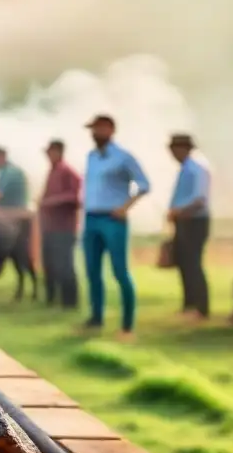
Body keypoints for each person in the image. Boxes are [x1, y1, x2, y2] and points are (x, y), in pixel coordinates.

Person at [81, 114, 150, 337]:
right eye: (92, 129)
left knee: (120, 271)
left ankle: (127, 326)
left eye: (97, 129)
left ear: (109, 129)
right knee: (92, 271)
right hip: (91, 218)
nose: (93, 133)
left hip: (112, 219)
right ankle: (96, 318)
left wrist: (125, 206)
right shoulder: (91, 156)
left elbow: (144, 184)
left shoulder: (123, 157)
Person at [166, 133, 211, 320]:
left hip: (195, 220)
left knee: (193, 263)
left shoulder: (196, 169)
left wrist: (179, 211)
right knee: (183, 262)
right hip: (183, 220)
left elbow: (199, 199)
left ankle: (200, 308)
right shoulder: (184, 169)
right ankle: (188, 305)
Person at [38, 140, 82, 308]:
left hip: (64, 228)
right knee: (49, 264)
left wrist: (50, 202)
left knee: (64, 265)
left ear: (59, 152)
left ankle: (69, 302)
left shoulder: (68, 172)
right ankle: (51, 298)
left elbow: (74, 198)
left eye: (51, 152)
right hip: (49, 226)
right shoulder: (52, 171)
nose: (48, 156)